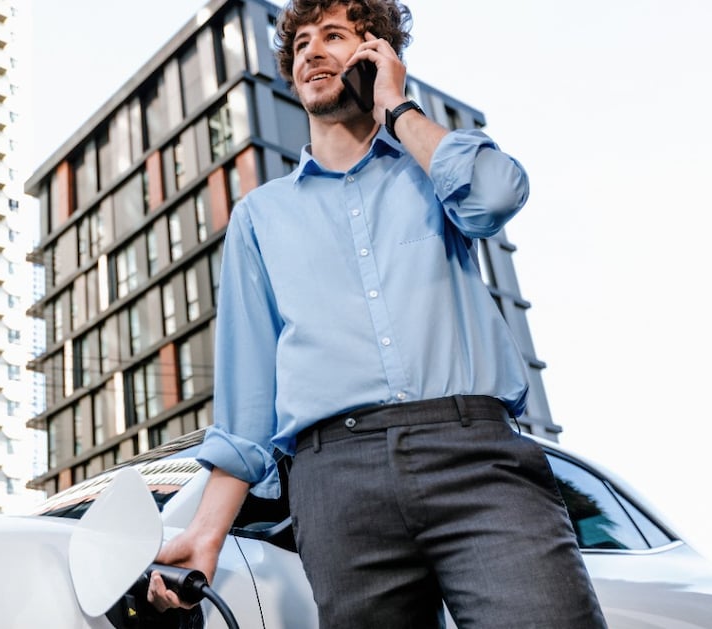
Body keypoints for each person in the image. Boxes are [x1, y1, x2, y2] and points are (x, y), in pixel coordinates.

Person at [146, 0, 608, 626]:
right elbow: (248, 402)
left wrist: (398, 106)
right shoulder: (260, 217)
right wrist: (206, 532)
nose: (311, 50)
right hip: (335, 481)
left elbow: (498, 193)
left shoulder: (434, 171)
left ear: (378, 57)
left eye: (335, 36)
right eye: (301, 42)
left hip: (475, 455)